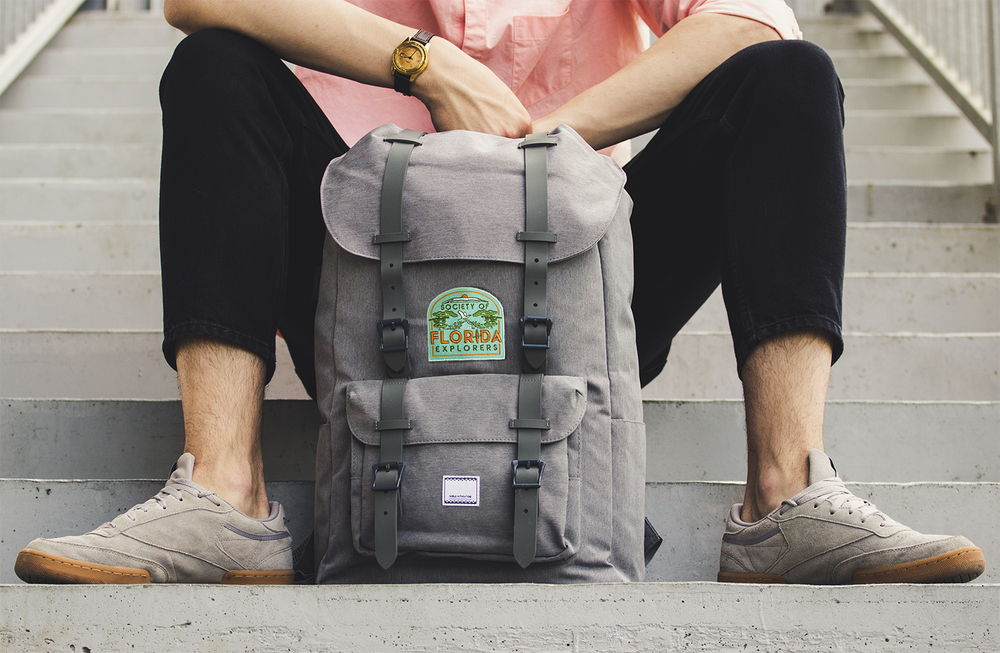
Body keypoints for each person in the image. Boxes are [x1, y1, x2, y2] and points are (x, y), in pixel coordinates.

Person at [14, 0, 985, 585]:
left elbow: (753, 16)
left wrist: (544, 147)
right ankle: (225, 492)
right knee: (215, 67)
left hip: (575, 293)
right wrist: (423, 63)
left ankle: (787, 494)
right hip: (365, 288)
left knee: (788, 77)